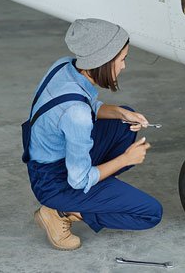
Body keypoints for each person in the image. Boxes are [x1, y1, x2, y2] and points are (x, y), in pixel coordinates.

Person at [22, 18, 162, 250]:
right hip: (55, 182)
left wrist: (119, 113)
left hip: (51, 159)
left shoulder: (64, 65)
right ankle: (61, 212)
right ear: (102, 61)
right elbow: (79, 179)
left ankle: (96, 192)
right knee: (151, 214)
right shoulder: (77, 115)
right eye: (122, 59)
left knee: (125, 117)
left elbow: (86, 106)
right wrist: (126, 159)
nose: (124, 66)